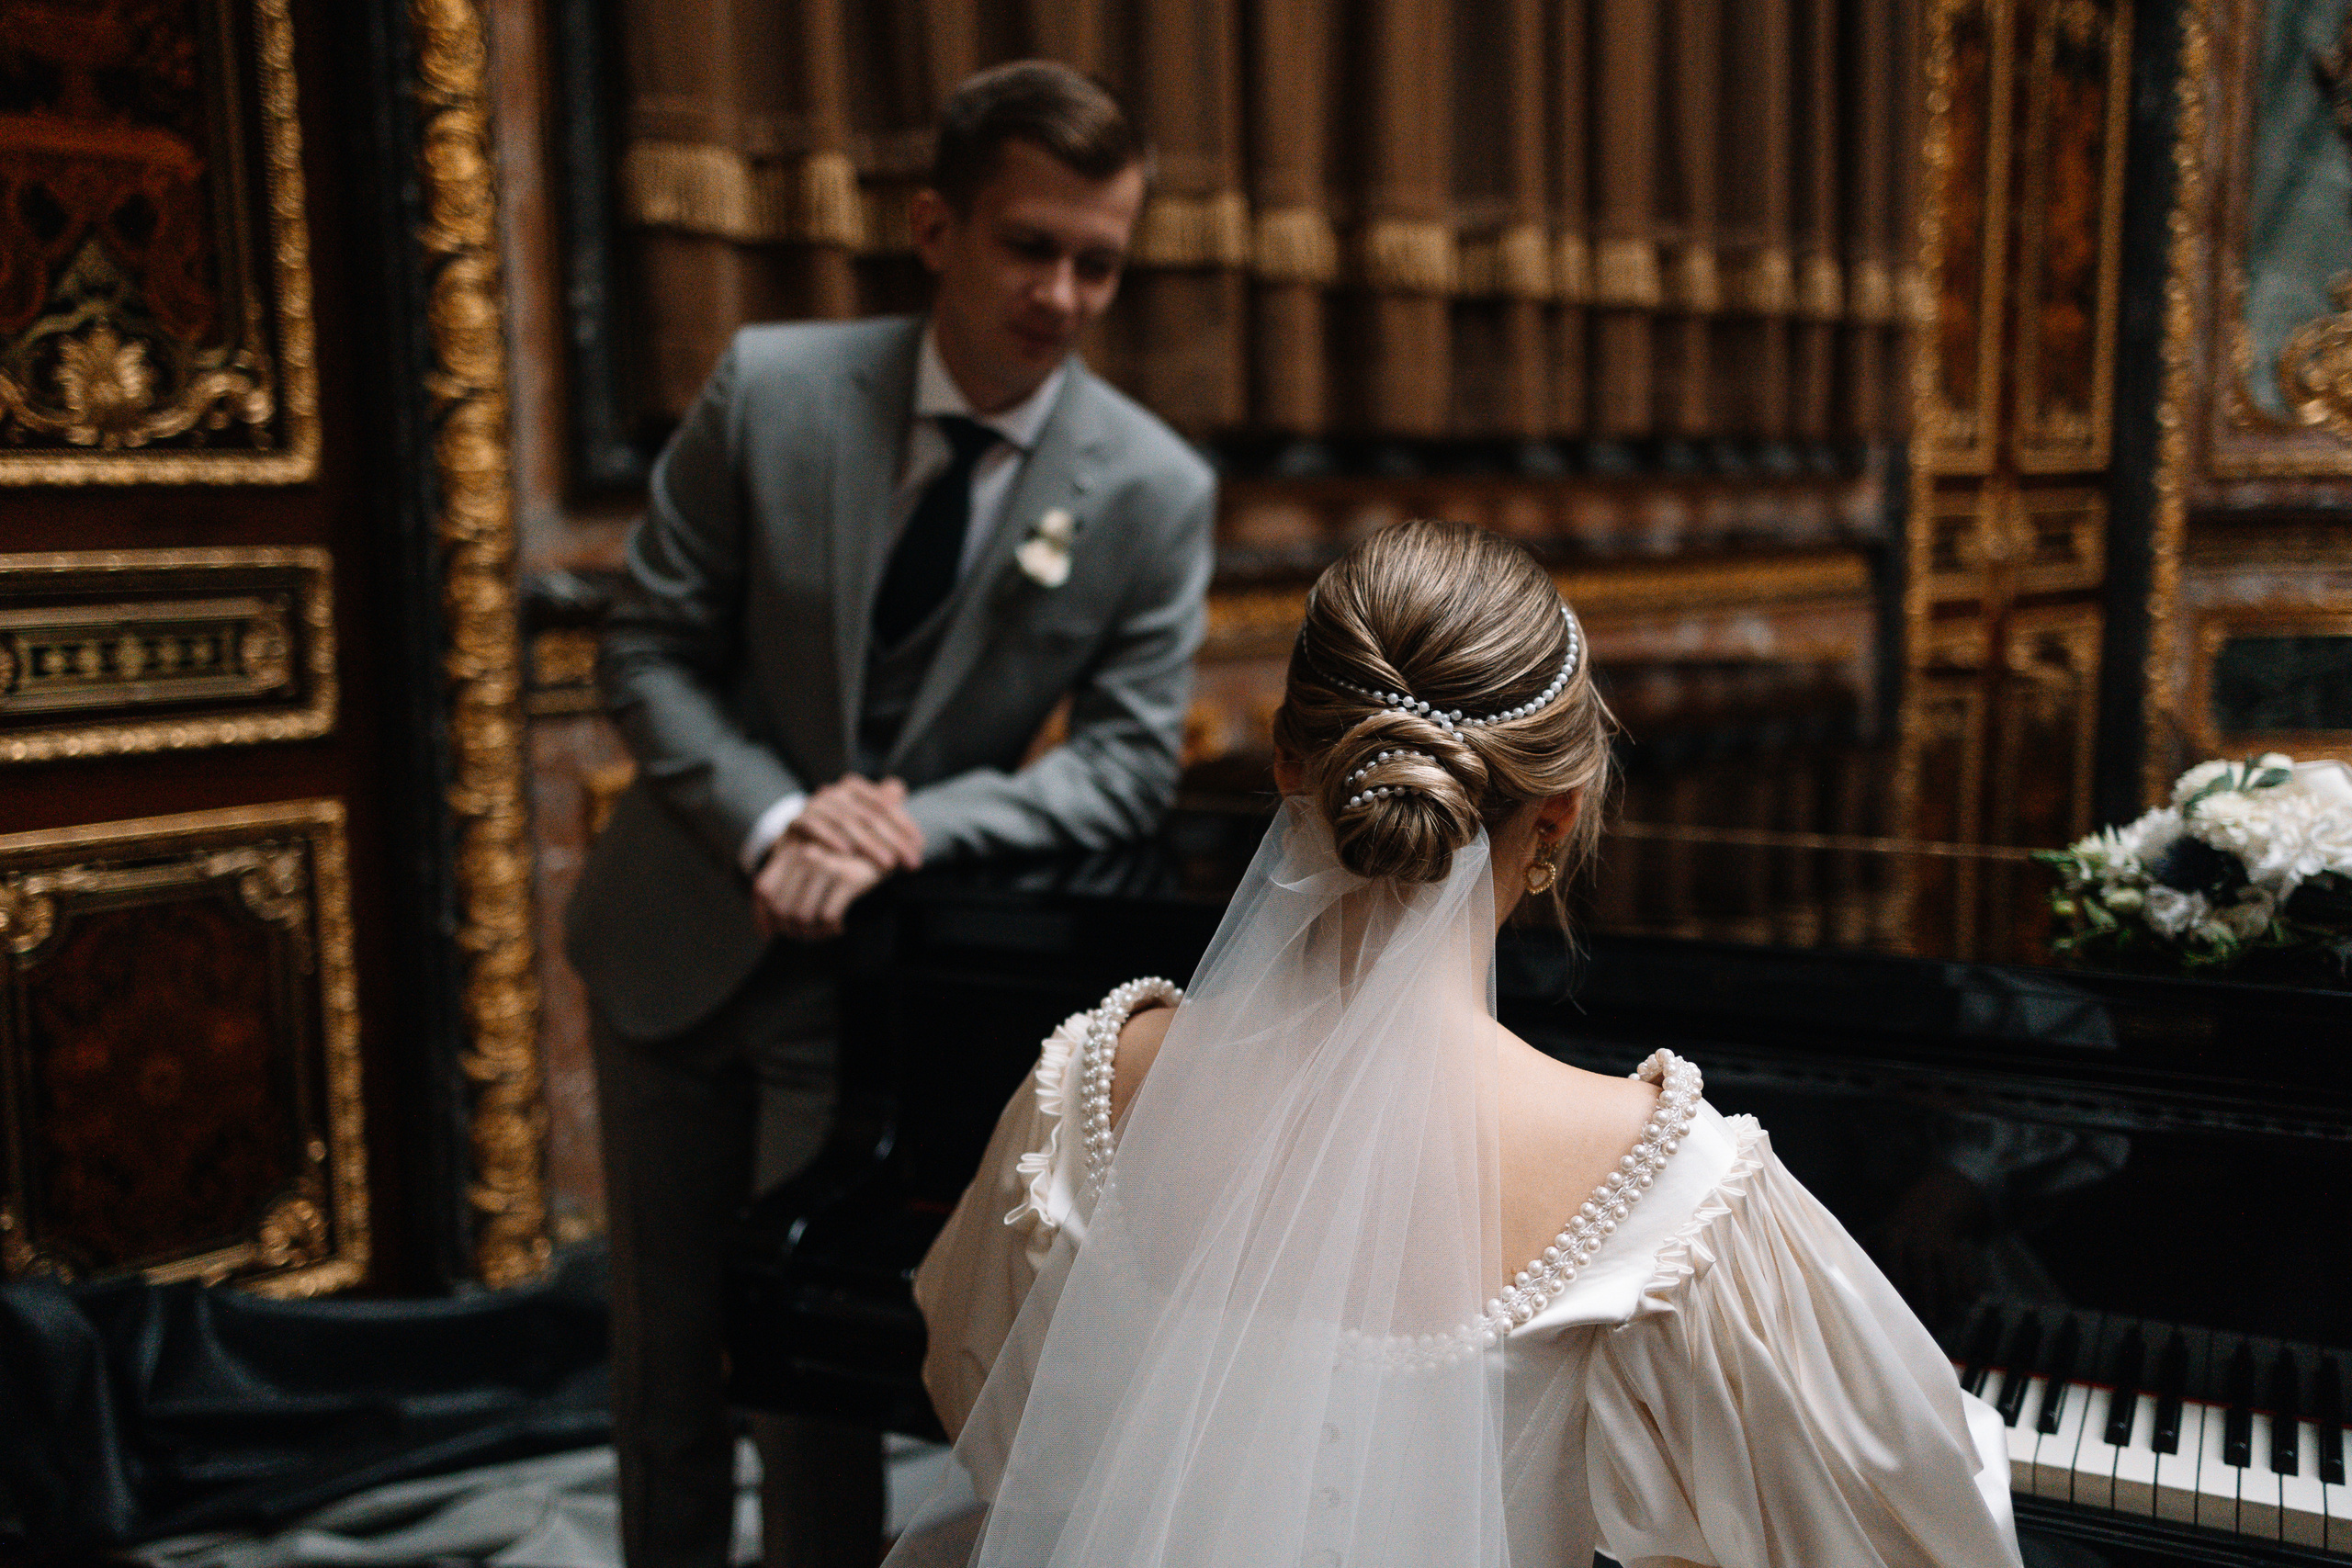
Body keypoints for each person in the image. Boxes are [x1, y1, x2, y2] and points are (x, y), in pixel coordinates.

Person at [904, 520, 2022, 1568]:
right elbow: (1918, 1532)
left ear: (1290, 762)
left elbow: (991, 1413)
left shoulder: (1094, 1076)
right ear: (1561, 817)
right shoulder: (1673, 1189)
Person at [563, 62, 1216, 1568]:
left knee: (815, 1386)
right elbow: (644, 649)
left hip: (873, 983)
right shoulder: (771, 390)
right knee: (665, 1359)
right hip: (674, 938)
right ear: (937, 227)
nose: (1060, 292)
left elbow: (1121, 761)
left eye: (1097, 261)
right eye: (1028, 246)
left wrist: (906, 825)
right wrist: (782, 814)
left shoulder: (1152, 489)